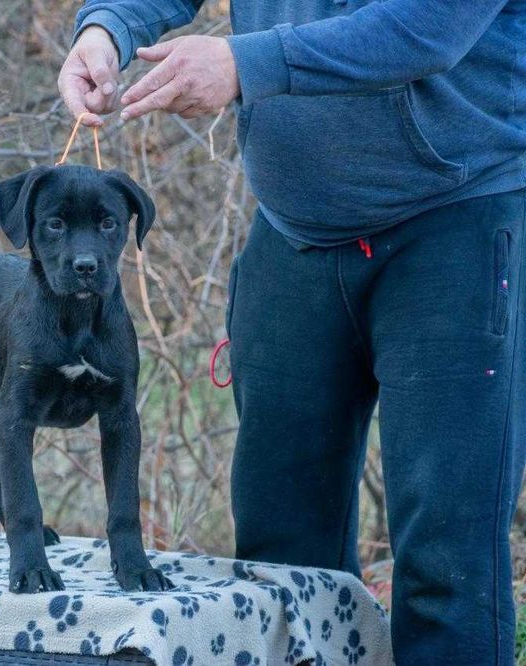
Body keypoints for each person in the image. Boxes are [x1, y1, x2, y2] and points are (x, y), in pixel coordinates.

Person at [58, 2, 526, 664]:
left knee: (447, 569)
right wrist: (106, 31)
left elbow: (429, 27)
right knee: (280, 562)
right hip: (293, 234)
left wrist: (243, 62)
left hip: (457, 224)